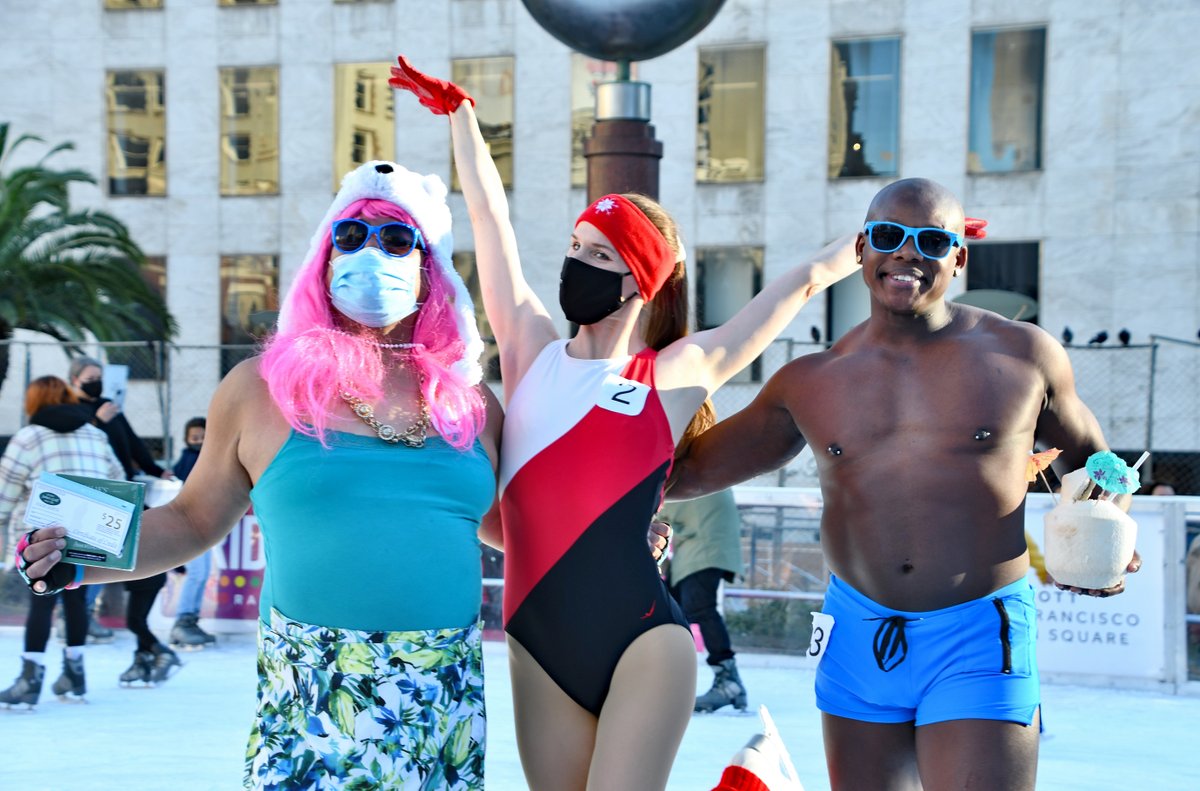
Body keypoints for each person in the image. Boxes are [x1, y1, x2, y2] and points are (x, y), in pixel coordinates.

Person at [390, 55, 858, 790]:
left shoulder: (669, 376)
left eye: (599, 254)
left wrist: (890, 237)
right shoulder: (530, 350)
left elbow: (798, 285)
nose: (576, 262)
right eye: (574, 247)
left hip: (643, 638)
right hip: (537, 644)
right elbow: (490, 219)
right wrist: (463, 119)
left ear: (638, 279)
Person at [19, 159, 505, 789]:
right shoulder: (260, 389)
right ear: (322, 262)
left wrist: (613, 533)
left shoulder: (472, 402)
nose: (371, 254)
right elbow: (193, 519)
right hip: (313, 697)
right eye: (350, 236)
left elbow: (512, 528)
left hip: (442, 699)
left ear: (429, 268)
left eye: (395, 239)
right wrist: (78, 557)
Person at [669, 177, 1141, 790]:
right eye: (889, 236)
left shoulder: (1024, 355)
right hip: (857, 632)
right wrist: (666, 380)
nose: (907, 254)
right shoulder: (810, 380)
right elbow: (687, 471)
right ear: (862, 248)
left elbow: (1096, 468)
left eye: (932, 241)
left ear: (959, 257)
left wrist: (1105, 533)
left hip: (979, 634)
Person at [0, 376, 125, 707]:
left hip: (43, 538)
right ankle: (75, 675)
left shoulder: (28, 438)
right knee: (76, 600)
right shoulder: (95, 434)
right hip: (90, 537)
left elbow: (4, 493)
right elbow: (118, 479)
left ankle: (30, 679)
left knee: (41, 600)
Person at [67, 355, 180, 683]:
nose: (96, 383)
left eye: (99, 377)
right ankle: (92, 621)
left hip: (125, 495)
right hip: (96, 496)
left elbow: (132, 445)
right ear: (75, 380)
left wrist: (157, 470)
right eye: (90, 378)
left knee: (139, 567)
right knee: (103, 566)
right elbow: (78, 447)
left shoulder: (109, 407)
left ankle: (145, 651)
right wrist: (97, 421)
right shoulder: (72, 413)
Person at [659, 487, 748, 712]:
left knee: (698, 607)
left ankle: (728, 682)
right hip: (699, 548)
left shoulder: (682, 474)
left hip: (704, 549)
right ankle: (666, 679)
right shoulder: (708, 472)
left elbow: (659, 509)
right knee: (669, 609)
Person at [168, 417, 217, 649]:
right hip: (189, 524)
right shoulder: (190, 458)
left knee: (203, 572)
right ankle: (183, 622)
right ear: (187, 440)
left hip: (203, 524)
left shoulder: (210, 457)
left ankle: (190, 620)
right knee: (197, 572)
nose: (199, 442)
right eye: (194, 438)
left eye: (203, 437)